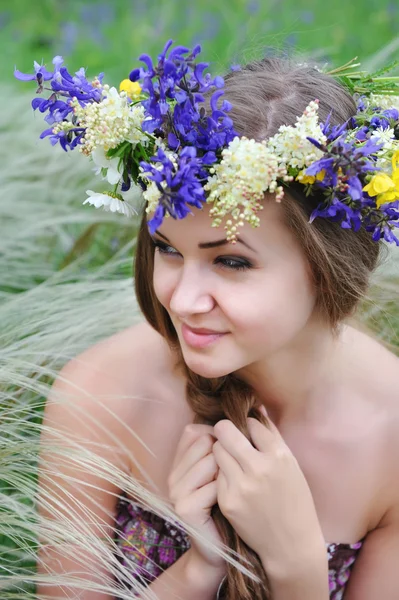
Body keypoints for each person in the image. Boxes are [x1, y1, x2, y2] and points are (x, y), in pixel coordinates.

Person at [17, 42, 399, 599]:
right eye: (168, 249)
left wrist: (296, 568)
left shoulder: (390, 435)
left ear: (324, 269)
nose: (183, 298)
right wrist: (199, 569)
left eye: (231, 261)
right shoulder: (99, 394)